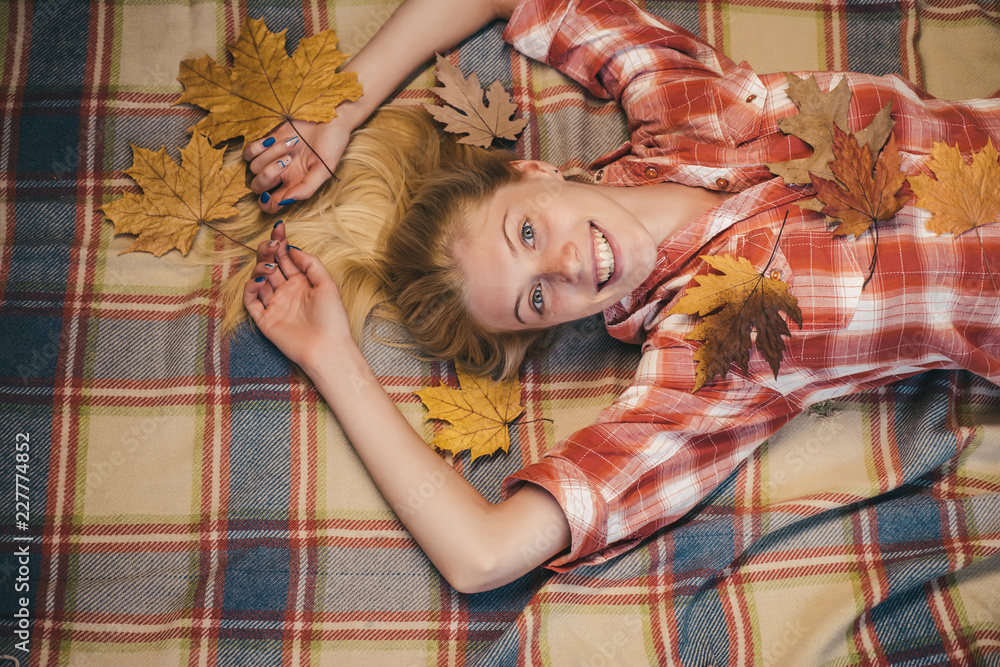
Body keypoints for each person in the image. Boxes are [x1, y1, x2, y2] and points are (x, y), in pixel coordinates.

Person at [222, 0, 1000, 593]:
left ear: (537, 174)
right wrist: (332, 358)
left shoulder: (681, 106)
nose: (563, 266)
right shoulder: (708, 359)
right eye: (535, 301)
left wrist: (346, 106)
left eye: (526, 233)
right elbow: (481, 554)